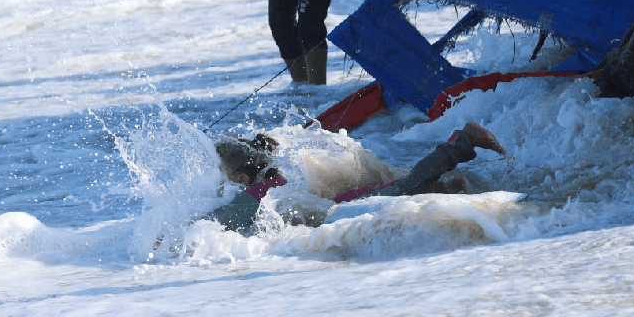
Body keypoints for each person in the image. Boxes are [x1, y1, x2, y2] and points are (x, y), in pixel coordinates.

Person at [209, 123, 506, 232]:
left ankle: (462, 142)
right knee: (404, 193)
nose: (220, 181)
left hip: (342, 208)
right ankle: (447, 188)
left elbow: (221, 221)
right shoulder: (275, 178)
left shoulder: (259, 192)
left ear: (238, 174)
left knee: (403, 189)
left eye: (222, 174)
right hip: (340, 202)